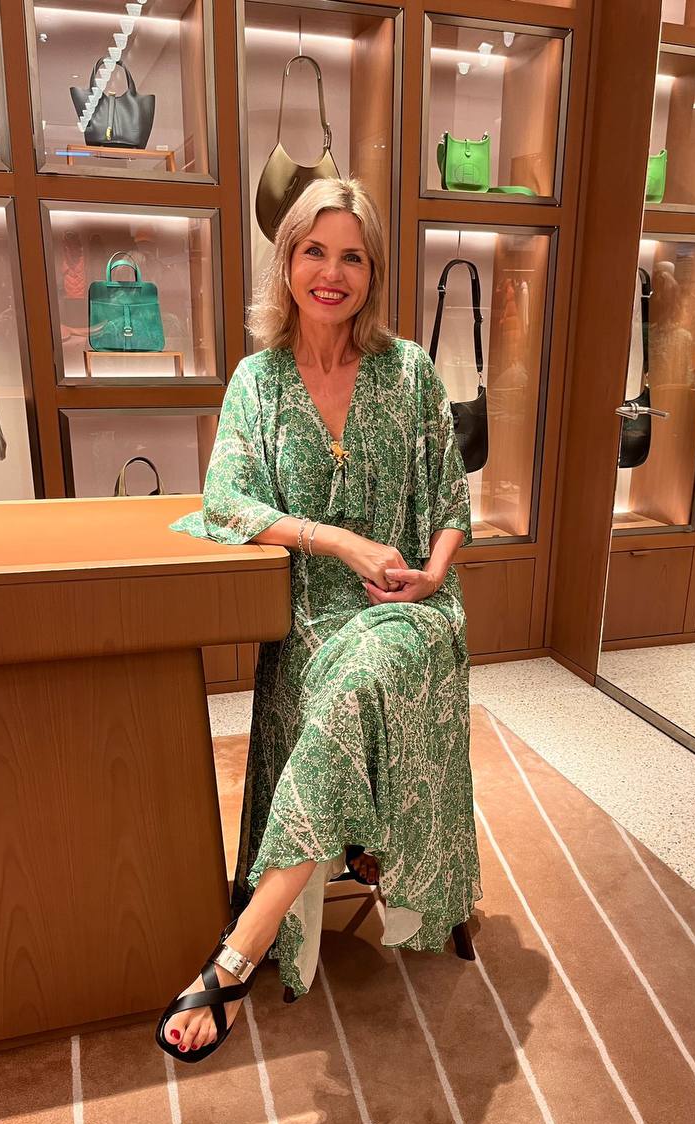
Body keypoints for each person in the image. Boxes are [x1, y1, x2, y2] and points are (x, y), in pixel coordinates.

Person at [157, 176, 482, 1062]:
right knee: (342, 681)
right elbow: (225, 501)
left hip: (414, 608)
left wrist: (430, 577)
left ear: (372, 272)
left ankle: (239, 952)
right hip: (310, 615)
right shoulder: (257, 382)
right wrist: (336, 540)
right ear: (287, 261)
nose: (332, 274)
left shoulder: (409, 371)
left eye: (353, 257)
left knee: (368, 673)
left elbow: (452, 504)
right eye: (314, 251)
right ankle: (282, 907)